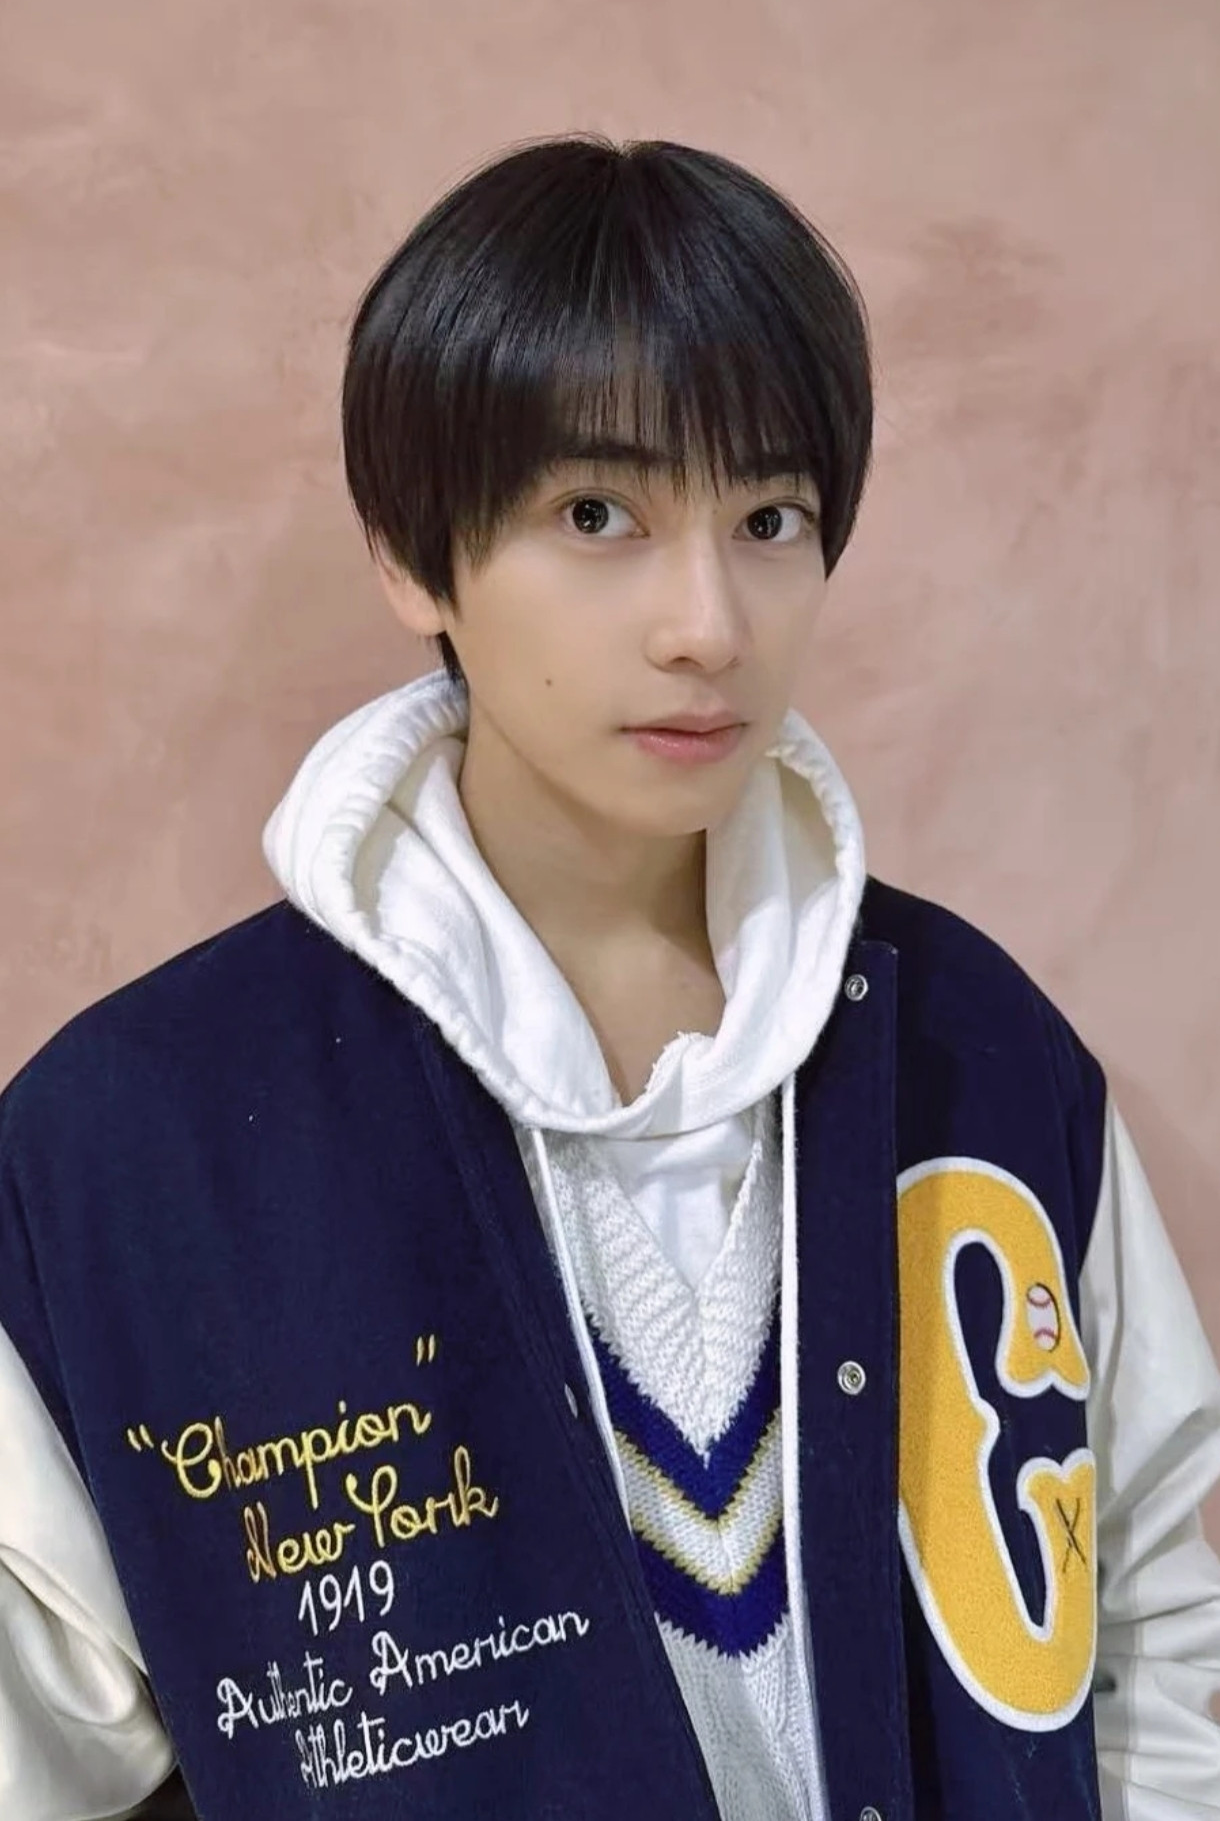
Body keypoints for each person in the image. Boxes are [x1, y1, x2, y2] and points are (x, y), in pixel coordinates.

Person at [1, 135, 1218, 1821]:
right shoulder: (134, 1148)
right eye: (598, 516)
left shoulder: (979, 1052)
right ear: (412, 553)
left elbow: (1152, 1625)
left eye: (770, 518)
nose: (707, 622)